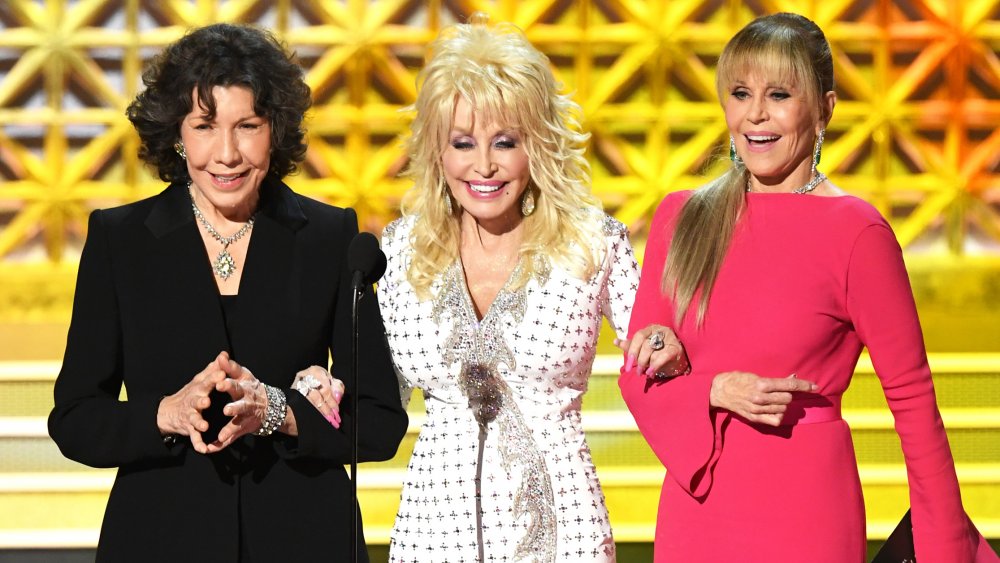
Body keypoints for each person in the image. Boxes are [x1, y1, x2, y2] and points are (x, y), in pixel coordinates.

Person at [618, 12, 998, 563]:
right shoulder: (683, 217)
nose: (755, 114)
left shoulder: (857, 233)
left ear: (824, 108)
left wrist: (944, 551)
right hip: (696, 509)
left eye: (779, 94)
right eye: (741, 93)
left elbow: (914, 405)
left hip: (806, 510)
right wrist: (712, 389)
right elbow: (636, 378)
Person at [47, 23, 407, 562]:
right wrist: (165, 414)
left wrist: (279, 412)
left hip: (305, 536)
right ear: (177, 133)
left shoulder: (331, 237)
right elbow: (74, 419)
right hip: (160, 537)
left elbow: (378, 423)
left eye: (249, 125)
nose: (228, 153)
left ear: (276, 130)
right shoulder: (120, 240)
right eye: (205, 126)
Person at [376, 13, 640, 563]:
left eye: (505, 142)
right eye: (463, 143)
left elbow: (661, 351)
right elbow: (374, 397)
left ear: (537, 146)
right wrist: (310, 392)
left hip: (565, 532)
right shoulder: (400, 254)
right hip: (432, 531)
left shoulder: (590, 244)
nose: (484, 166)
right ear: (437, 152)